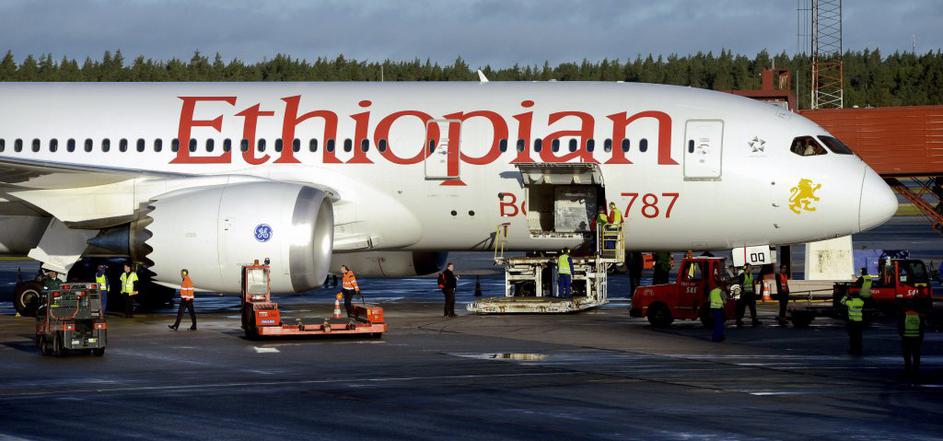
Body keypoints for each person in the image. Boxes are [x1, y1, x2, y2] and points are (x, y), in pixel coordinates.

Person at [898, 301, 925, 377]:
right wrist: (921, 337)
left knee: (907, 355)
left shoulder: (904, 315)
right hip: (916, 338)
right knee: (916, 355)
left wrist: (902, 335)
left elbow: (900, 327)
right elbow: (922, 328)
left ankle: (907, 369)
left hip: (906, 338)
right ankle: (916, 369)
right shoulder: (919, 316)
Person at [841, 286, 866, 355]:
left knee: (852, 337)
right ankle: (859, 349)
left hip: (852, 322)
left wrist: (846, 296)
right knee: (859, 336)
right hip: (859, 322)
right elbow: (862, 299)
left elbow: (842, 302)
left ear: (852, 296)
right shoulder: (861, 302)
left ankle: (852, 349)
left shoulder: (850, 303)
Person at [736, 263, 760, 327]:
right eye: (749, 267)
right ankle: (739, 320)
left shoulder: (751, 275)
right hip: (744, 295)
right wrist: (741, 293)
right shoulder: (742, 275)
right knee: (742, 308)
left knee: (753, 307)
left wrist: (754, 293)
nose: (750, 268)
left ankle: (754, 320)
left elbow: (752, 285)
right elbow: (739, 285)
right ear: (746, 268)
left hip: (750, 294)